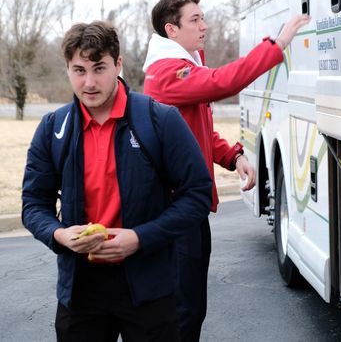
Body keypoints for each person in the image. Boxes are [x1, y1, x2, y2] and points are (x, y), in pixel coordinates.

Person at [22, 20, 213, 342]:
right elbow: (33, 204)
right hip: (80, 291)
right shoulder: (53, 127)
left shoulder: (159, 119)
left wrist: (139, 237)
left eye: (99, 68)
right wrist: (59, 235)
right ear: (68, 69)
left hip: (149, 285)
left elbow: (197, 195)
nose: (90, 82)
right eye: (79, 70)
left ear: (118, 64)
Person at [143, 0, 311, 341]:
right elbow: (224, 82)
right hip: (176, 210)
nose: (204, 25)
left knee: (191, 305)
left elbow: (197, 131)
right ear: (171, 30)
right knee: (183, 309)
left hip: (190, 207)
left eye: (203, 17)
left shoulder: (185, 65)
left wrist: (233, 156)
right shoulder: (167, 73)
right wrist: (276, 45)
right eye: (195, 19)